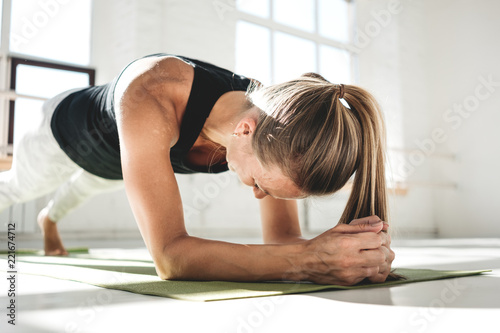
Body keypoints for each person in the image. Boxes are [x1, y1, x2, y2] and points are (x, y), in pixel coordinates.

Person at [0, 53, 395, 285]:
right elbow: (170, 258)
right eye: (259, 183)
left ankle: (48, 220)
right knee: (17, 188)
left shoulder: (274, 126)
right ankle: (43, 213)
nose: (257, 194)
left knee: (82, 191)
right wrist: (309, 260)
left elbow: (283, 239)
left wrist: (344, 255)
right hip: (62, 134)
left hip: (116, 164)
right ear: (244, 129)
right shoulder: (152, 91)